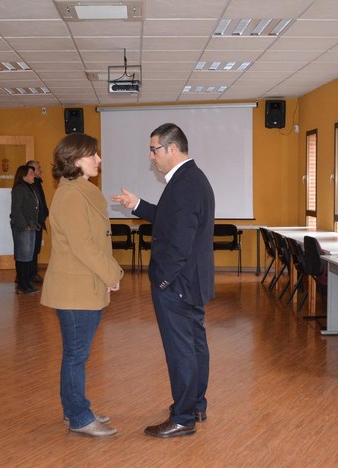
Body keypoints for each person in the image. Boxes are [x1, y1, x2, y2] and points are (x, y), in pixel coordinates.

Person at [111, 123, 215, 439]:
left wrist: (163, 282)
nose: (151, 156)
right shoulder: (190, 179)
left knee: (180, 350)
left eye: (154, 149)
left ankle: (183, 418)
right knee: (194, 345)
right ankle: (195, 404)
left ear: (171, 148)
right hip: (191, 282)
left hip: (178, 285)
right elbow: (171, 219)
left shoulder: (184, 184)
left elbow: (180, 242)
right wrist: (138, 205)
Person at [40, 133, 123, 438]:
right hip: (74, 290)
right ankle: (78, 417)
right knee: (76, 356)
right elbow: (84, 246)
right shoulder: (71, 196)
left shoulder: (80, 191)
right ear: (76, 160)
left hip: (84, 286)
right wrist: (112, 273)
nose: (98, 160)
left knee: (76, 355)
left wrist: (106, 276)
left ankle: (74, 408)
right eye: (93, 155)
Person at [10, 164, 40, 294]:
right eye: (31, 173)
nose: (34, 175)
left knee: (29, 256)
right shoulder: (19, 189)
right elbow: (16, 210)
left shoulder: (31, 188)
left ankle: (27, 283)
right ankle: (23, 284)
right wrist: (25, 226)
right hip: (23, 228)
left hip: (31, 226)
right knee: (23, 256)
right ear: (23, 176)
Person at [26, 160, 49, 283]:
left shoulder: (37, 183)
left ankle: (32, 274)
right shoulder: (30, 185)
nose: (41, 170)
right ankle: (28, 276)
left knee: (35, 250)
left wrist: (45, 213)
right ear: (32, 171)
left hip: (38, 222)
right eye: (38, 168)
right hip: (34, 223)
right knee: (31, 250)